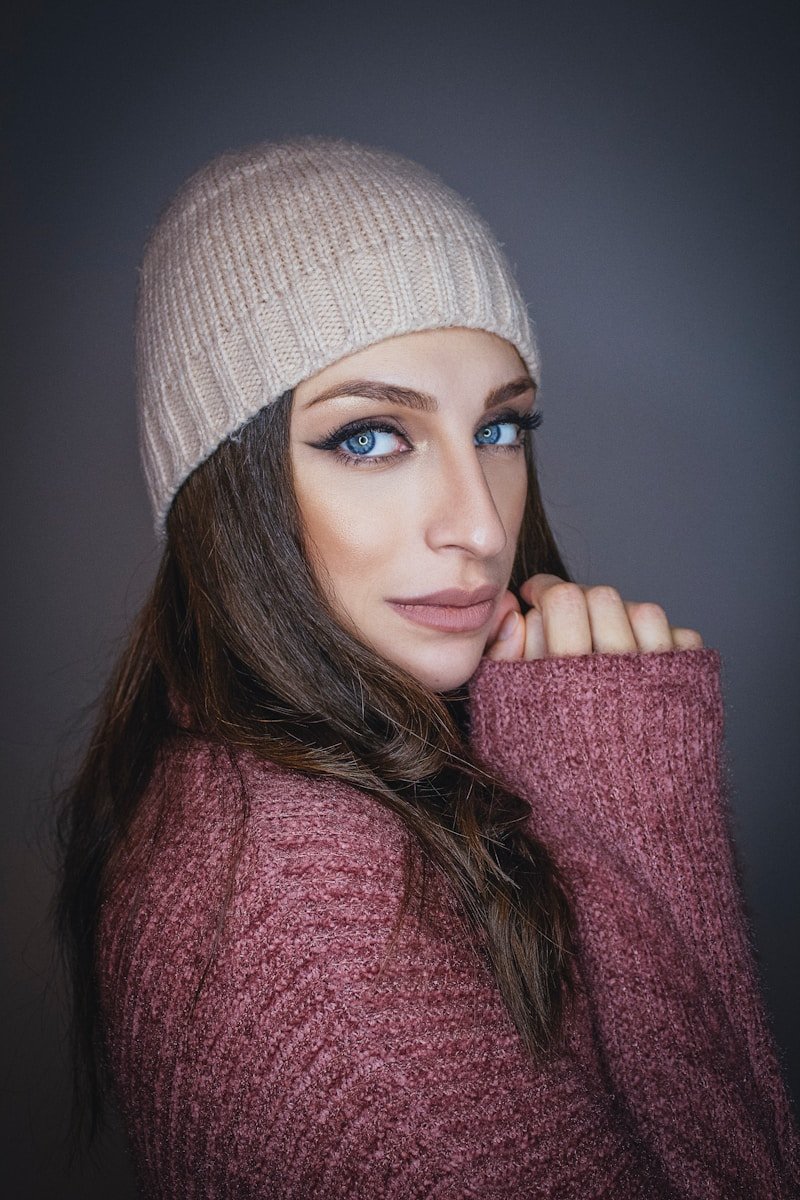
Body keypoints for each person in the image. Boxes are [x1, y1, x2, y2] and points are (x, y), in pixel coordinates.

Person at [53, 136, 800, 1198]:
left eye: (499, 425)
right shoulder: (333, 965)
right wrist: (634, 829)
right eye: (368, 437)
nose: (477, 523)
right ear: (225, 490)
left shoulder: (243, 783)